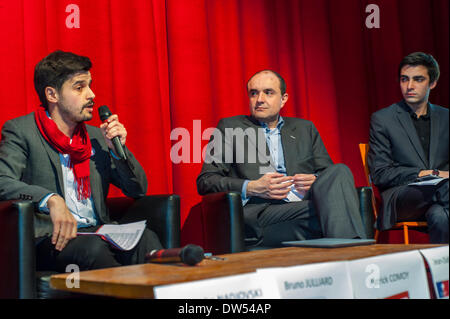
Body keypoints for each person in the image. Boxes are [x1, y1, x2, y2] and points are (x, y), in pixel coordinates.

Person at [0, 50, 163, 272]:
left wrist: (118, 149)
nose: (91, 94)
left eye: (90, 85)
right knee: (93, 249)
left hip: (97, 230)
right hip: (51, 237)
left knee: (147, 239)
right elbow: (2, 180)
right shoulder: (22, 131)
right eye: (79, 87)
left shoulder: (96, 137)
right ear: (52, 95)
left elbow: (138, 189)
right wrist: (51, 199)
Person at [197, 70, 367, 247]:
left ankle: (347, 252)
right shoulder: (231, 127)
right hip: (264, 212)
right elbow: (206, 180)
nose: (260, 99)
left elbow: (328, 176)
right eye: (254, 93)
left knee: (340, 170)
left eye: (268, 92)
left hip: (303, 202)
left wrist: (315, 181)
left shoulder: (304, 129)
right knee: (340, 210)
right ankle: (356, 256)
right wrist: (252, 187)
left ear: (284, 99)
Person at [368, 52, 448, 244]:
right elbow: (380, 173)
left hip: (441, 198)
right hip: (403, 197)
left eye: (418, 79)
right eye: (405, 79)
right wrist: (428, 173)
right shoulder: (383, 119)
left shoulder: (446, 118)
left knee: (440, 216)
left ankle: (439, 273)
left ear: (432, 83)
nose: (409, 86)